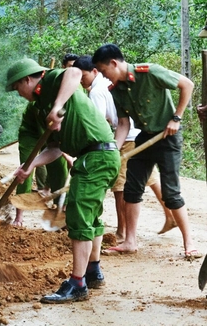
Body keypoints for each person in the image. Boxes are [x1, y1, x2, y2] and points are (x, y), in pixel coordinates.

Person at [7, 58, 120, 303]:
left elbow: (74, 72)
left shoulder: (52, 81)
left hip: (98, 154)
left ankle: (77, 283)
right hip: (94, 156)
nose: (18, 93)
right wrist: (30, 166)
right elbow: (56, 149)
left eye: (17, 87)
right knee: (90, 216)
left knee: (78, 218)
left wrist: (58, 106)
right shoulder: (39, 107)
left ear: (28, 79)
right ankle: (93, 271)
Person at [92, 44, 199, 258]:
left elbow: (187, 84)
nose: (104, 77)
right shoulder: (116, 90)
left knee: (170, 192)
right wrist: (114, 149)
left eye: (104, 71)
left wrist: (176, 118)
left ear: (114, 63)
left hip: (167, 137)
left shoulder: (149, 72)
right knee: (131, 188)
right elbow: (123, 124)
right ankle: (130, 241)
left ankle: (189, 242)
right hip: (145, 137)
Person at [73, 55, 175, 241]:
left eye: (83, 76)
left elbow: (99, 121)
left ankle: (122, 231)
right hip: (134, 135)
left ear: (95, 71)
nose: (81, 80)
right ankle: (170, 215)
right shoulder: (108, 84)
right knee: (150, 179)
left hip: (125, 139)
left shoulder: (96, 92)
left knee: (120, 187)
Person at [12, 102, 69, 228]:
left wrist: (66, 154)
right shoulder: (41, 99)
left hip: (54, 132)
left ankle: (61, 210)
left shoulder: (70, 103)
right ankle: (19, 216)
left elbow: (62, 140)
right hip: (31, 130)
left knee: (59, 168)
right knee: (25, 169)